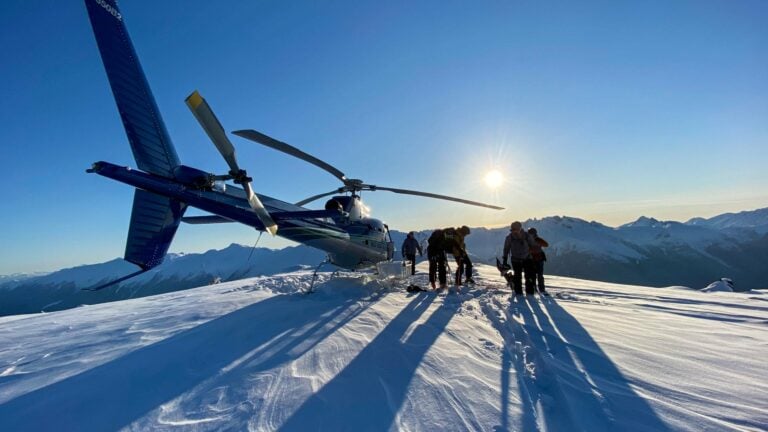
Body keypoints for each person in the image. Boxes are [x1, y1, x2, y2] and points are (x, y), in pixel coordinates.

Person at [502, 221, 534, 295]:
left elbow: (532, 245)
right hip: (516, 259)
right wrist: (505, 258)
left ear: (520, 228)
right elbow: (506, 248)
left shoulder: (527, 235)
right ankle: (518, 292)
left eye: (515, 229)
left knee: (528, 275)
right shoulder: (510, 237)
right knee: (517, 276)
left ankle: (530, 292)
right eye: (512, 230)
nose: (514, 231)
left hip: (527, 258)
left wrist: (533, 256)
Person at [527, 227, 550, 294]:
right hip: (537, 259)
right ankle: (540, 289)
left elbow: (546, 245)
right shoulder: (529, 240)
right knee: (536, 275)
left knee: (537, 275)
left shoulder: (532, 240)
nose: (531, 235)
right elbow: (546, 245)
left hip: (535, 259)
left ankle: (539, 289)